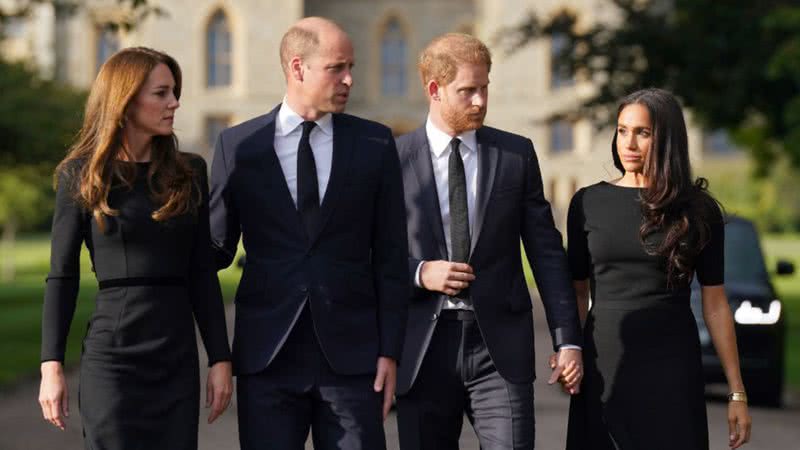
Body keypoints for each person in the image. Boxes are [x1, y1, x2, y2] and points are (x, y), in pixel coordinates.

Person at [208, 17, 408, 450]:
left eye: (350, 66)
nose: (349, 79)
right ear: (298, 68)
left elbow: (393, 258)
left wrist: (390, 350)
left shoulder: (375, 144)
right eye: (337, 68)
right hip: (267, 357)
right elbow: (214, 251)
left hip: (353, 361)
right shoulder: (239, 147)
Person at [393, 32, 584, 450]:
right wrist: (421, 272)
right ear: (434, 90)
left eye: (484, 88)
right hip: (423, 349)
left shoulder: (515, 155)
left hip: (499, 351)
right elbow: (371, 253)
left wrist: (567, 339)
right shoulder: (393, 159)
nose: (480, 101)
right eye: (467, 91)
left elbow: (547, 253)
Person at [37, 47, 233, 449]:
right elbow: (62, 275)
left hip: (175, 357)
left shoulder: (190, 171)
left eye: (174, 91)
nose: (174, 102)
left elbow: (201, 273)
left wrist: (219, 358)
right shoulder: (82, 174)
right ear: (126, 101)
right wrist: (51, 366)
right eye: (161, 93)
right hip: (113, 358)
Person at [563, 88, 752, 449]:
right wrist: (569, 349)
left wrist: (736, 393)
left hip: (672, 366)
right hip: (604, 363)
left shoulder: (698, 210)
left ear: (666, 139)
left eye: (642, 133)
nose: (628, 143)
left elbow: (715, 304)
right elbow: (577, 290)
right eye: (622, 130)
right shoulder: (587, 203)